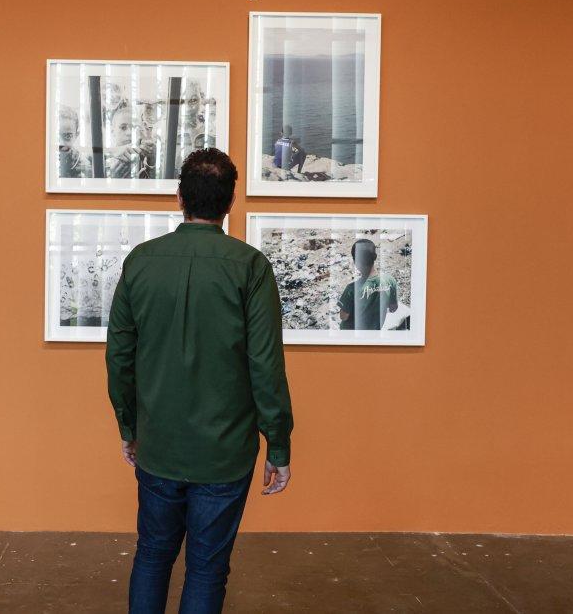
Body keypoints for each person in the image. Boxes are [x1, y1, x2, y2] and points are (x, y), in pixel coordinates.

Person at [106, 147, 294, 614]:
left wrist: (129, 428)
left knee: (152, 555)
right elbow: (266, 366)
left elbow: (119, 359)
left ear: (179, 198)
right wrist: (280, 446)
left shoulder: (141, 262)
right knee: (207, 569)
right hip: (224, 454)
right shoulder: (250, 267)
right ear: (231, 203)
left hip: (159, 445)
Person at [338, 238, 399, 330]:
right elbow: (393, 307)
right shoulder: (390, 281)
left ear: (356, 261)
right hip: (374, 332)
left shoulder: (351, 289)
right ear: (375, 257)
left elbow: (343, 316)